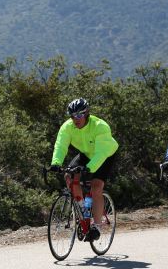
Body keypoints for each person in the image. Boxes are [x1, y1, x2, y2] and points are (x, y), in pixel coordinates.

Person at [50, 98, 119, 241]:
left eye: (79, 115)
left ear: (87, 114)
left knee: (96, 187)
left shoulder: (100, 126)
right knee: (68, 175)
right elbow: (60, 145)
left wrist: (89, 168)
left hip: (105, 154)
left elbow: (100, 153)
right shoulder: (67, 127)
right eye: (73, 116)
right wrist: (56, 162)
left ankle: (97, 226)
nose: (76, 119)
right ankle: (83, 211)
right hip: (87, 154)